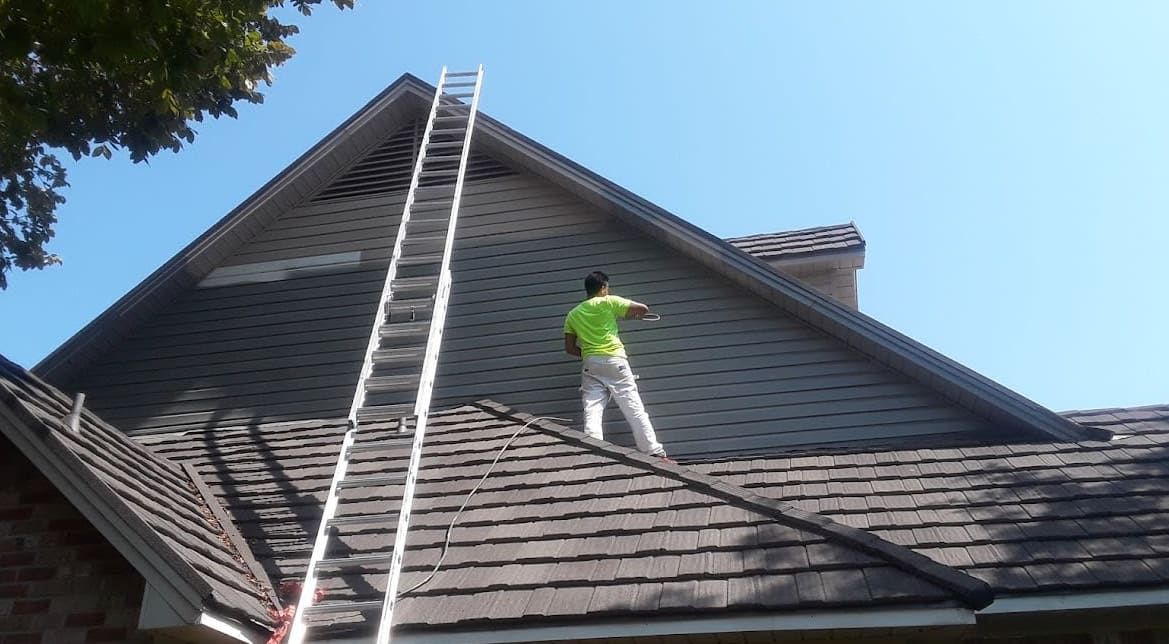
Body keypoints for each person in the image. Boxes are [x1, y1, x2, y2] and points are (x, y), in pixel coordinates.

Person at [563, 271, 670, 461]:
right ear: (603, 287)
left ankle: (593, 449)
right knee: (632, 405)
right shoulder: (609, 302)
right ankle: (653, 450)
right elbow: (643, 308)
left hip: (591, 363)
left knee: (593, 407)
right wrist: (629, 315)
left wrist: (590, 354)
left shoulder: (573, 314)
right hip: (615, 360)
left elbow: (570, 348)